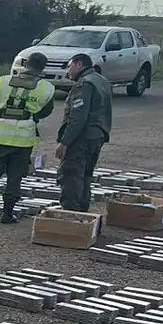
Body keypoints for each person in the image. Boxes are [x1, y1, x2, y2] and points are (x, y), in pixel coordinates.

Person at [0, 51, 54, 224]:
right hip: (24, 137)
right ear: (42, 68)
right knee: (15, 175)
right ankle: (7, 214)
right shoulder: (47, 88)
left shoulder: (4, 81)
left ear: (26, 64)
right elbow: (45, 112)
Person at [56, 52, 112, 212]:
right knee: (85, 176)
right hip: (98, 136)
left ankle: (70, 215)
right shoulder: (102, 81)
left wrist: (65, 142)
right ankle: (82, 214)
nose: (68, 72)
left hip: (82, 137)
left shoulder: (84, 84)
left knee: (71, 175)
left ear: (79, 64)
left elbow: (78, 117)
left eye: (69, 66)